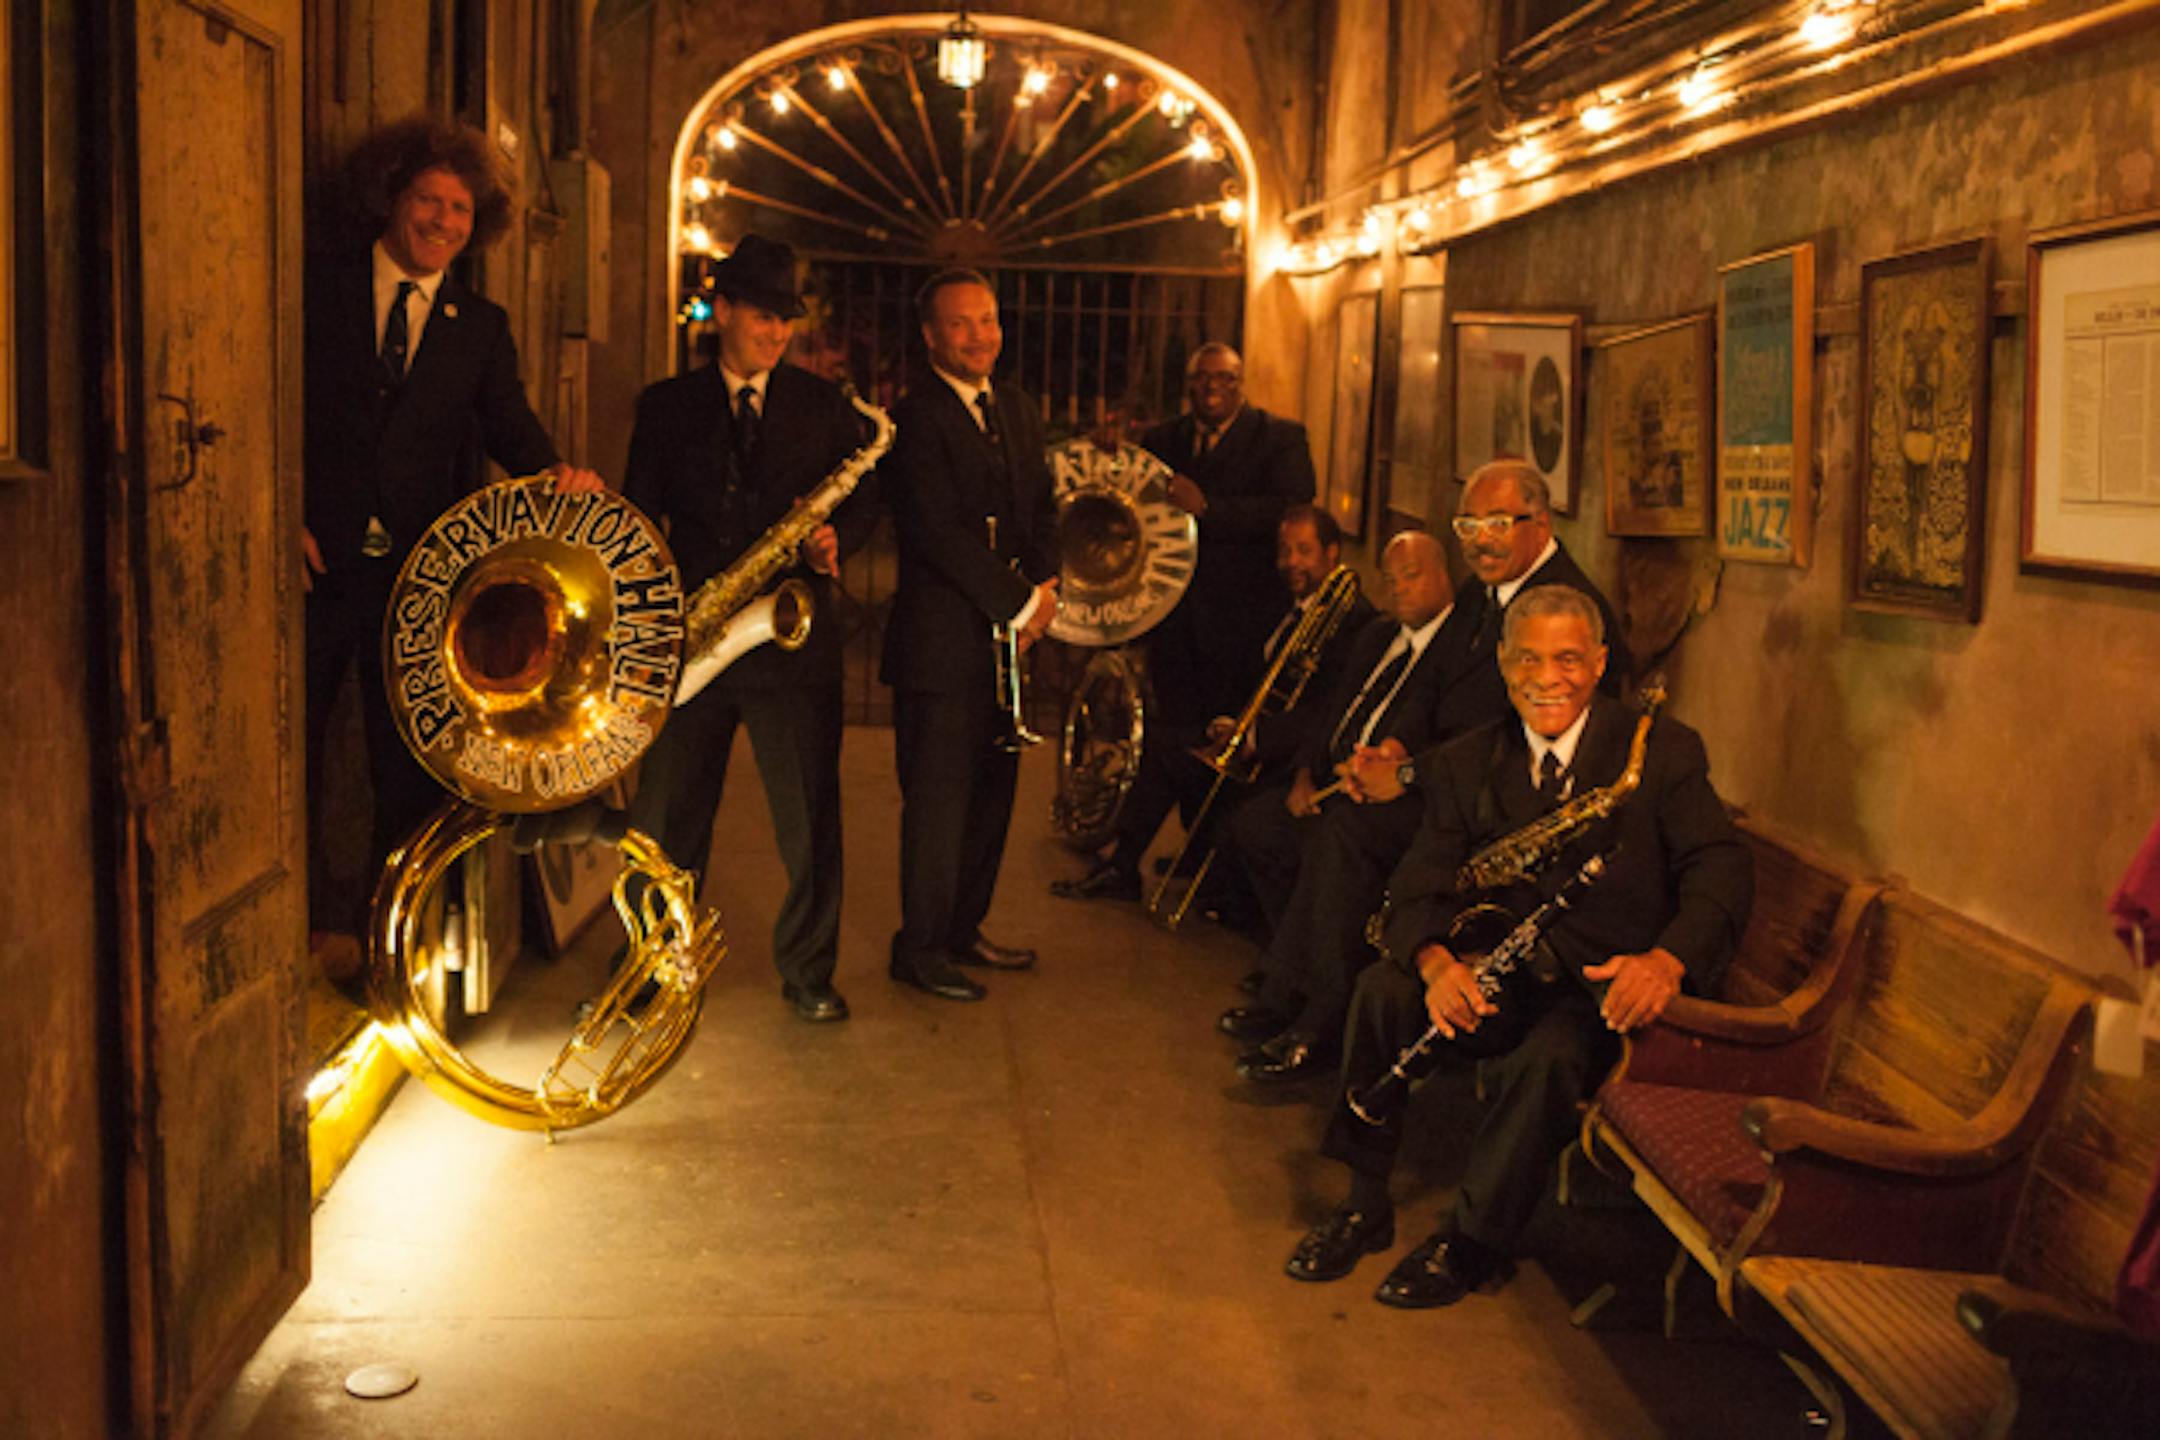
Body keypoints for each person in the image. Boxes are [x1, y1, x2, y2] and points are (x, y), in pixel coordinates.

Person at [1284, 585, 1752, 1309]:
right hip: (1487, 974)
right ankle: (1363, 1202)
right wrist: (1437, 966)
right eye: (1527, 659)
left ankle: (1472, 1243)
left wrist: (1666, 961)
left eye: (1568, 659)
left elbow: (1719, 866)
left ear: (1599, 664)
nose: (1547, 678)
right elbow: (1414, 891)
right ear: (1503, 666)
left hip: (1591, 988)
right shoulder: (1468, 760)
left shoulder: (1659, 752)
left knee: (1550, 1059)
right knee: (1382, 990)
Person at [1221, 459, 1630, 1080]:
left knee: (1351, 833)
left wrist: (1409, 779)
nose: (1479, 539)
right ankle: (1292, 996)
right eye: (1468, 524)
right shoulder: (1481, 590)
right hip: (1451, 781)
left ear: (1541, 523)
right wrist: (1392, 749)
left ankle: (1322, 1025)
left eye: (1497, 522)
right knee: (1333, 815)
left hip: (1508, 807)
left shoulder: (1566, 601)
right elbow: (1431, 681)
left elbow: (1513, 734)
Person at [302, 116, 601, 927]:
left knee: (403, 770)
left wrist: (556, 476)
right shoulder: (316, 289)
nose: (442, 221)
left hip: (416, 574)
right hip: (311, 564)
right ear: (392, 199)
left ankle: (388, 937)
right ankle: (293, 927)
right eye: (429, 201)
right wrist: (281, 515)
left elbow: (512, 427)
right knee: (291, 752)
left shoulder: (482, 326)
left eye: (461, 210)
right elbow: (268, 405)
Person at [620, 233, 876, 1023]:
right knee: (665, 820)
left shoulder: (826, 406)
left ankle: (807, 971)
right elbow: (639, 521)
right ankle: (653, 969)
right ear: (722, 309)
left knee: (807, 820)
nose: (775, 334)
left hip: (789, 642)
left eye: (786, 320)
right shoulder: (665, 407)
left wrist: (841, 539)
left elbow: (862, 501)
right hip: (693, 641)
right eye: (762, 316)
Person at [880, 269, 1060, 1002]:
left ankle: (962, 930)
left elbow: (1043, 506)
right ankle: (918, 948)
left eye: (988, 320)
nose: (980, 335)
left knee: (992, 797)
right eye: (961, 323)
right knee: (938, 805)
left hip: (1009, 644)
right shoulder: (913, 417)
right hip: (940, 652)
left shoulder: (1015, 408)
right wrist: (1021, 605)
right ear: (930, 335)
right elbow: (935, 532)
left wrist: (1046, 592)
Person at [1050, 503, 1372, 903]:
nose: (1291, 562)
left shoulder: (1354, 622)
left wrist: (1255, 736)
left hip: (1288, 758)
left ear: (1332, 553)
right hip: (1256, 740)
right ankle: (1126, 864)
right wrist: (1228, 723)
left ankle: (1134, 866)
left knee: (1173, 757)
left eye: (1304, 551)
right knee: (1169, 742)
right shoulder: (1282, 606)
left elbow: (1325, 711)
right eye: (1285, 551)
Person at [1216, 528, 1456, 978]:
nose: (1399, 588)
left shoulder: (1454, 649)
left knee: (1327, 846)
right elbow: (1330, 711)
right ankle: (1286, 955)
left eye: (1411, 576)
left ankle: (1294, 978)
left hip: (1376, 796)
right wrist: (1305, 772)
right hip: (1327, 781)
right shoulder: (1378, 635)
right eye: (1390, 579)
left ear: (1443, 577)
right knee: (1251, 826)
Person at [1140, 343, 1317, 734]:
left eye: (1224, 377)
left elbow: (1292, 506)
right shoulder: (1161, 440)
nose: (1212, 386)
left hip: (1243, 620)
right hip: (1174, 622)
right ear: (1188, 385)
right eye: (1201, 377)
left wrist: (1208, 509)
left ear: (1241, 384)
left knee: (1227, 735)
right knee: (1172, 733)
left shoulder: (1280, 438)